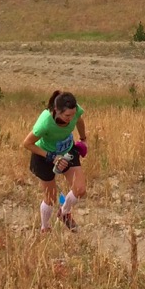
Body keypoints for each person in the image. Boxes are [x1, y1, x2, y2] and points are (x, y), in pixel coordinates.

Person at [22, 90, 90, 233]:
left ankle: (64, 212)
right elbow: (27, 144)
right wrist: (52, 157)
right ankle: (45, 227)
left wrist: (83, 138)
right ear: (56, 111)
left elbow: (79, 119)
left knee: (80, 189)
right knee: (51, 198)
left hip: (67, 151)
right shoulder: (45, 122)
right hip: (44, 156)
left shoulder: (75, 111)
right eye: (67, 116)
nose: (70, 118)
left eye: (72, 114)